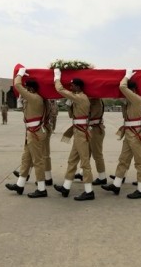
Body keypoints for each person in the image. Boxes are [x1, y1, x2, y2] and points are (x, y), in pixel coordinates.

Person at [101, 70, 141, 199]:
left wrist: (126, 76)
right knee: (123, 160)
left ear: (131, 90)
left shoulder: (136, 99)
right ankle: (116, 185)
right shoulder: (130, 101)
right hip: (129, 133)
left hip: (135, 134)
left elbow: (122, 86)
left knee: (139, 162)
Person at [5, 67, 48, 198]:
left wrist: (20, 74)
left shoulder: (35, 98)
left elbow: (17, 85)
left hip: (34, 133)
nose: (26, 90)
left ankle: (41, 189)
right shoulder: (34, 98)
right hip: (31, 133)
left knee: (37, 161)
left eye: (27, 88)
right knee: (26, 160)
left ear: (32, 89)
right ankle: (20, 185)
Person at [53, 69, 95, 201]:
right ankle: (66, 187)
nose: (70, 87)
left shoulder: (80, 97)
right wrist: (69, 105)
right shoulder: (78, 98)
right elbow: (72, 115)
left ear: (78, 87)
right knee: (72, 161)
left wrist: (57, 77)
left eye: (72, 85)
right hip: (78, 132)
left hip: (81, 134)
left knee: (85, 163)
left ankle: (89, 191)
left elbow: (60, 90)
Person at [74, 98, 108, 185]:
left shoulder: (96, 101)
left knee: (97, 155)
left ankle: (102, 177)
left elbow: (87, 115)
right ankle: (82, 173)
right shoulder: (91, 100)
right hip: (89, 129)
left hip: (95, 130)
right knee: (86, 153)